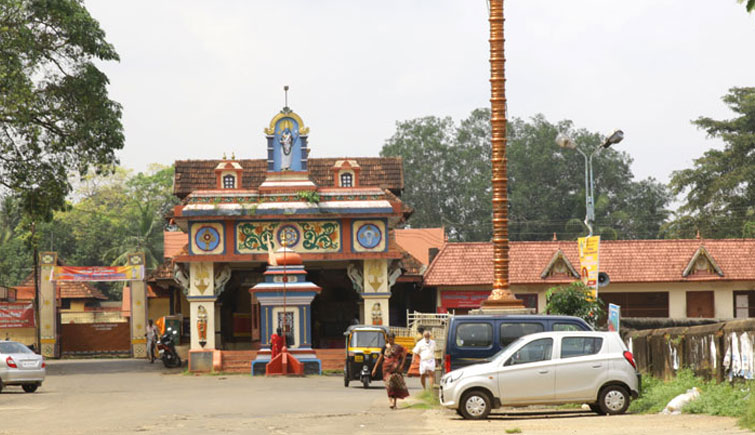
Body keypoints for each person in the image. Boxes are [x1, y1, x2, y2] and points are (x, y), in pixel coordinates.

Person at [372, 332, 409, 409]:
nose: (390, 341)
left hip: (395, 368)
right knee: (388, 385)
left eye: (391, 339)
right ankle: (390, 402)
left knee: (395, 385)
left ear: (394, 339)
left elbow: (404, 355)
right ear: (387, 339)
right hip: (386, 368)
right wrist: (374, 368)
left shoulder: (398, 347)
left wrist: (402, 365)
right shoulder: (384, 347)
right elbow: (380, 358)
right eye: (389, 339)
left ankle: (394, 403)